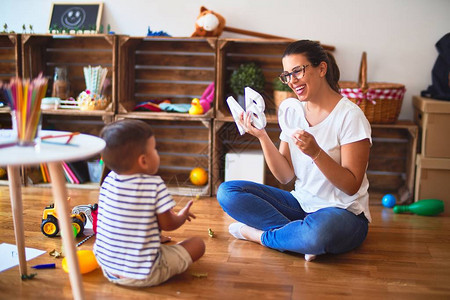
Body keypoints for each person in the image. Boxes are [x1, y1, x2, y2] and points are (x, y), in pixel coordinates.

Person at [217, 40, 372, 262]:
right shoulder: (293, 111)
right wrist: (261, 135)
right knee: (228, 193)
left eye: (297, 71)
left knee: (319, 232)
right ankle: (299, 239)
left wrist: (316, 153)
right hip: (300, 204)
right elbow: (285, 176)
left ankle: (260, 236)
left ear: (321, 68)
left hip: (343, 213)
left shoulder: (350, 116)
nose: (292, 81)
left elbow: (351, 186)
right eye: (287, 75)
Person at [94, 119, 205, 287]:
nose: (157, 153)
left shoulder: (108, 181)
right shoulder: (154, 185)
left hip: (108, 268)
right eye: (155, 149)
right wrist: (181, 217)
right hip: (143, 274)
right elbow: (168, 224)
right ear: (143, 161)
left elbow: (124, 218)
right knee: (198, 244)